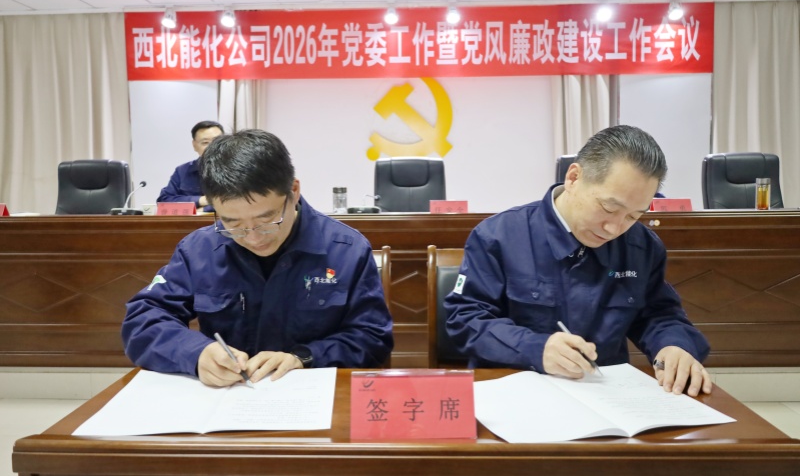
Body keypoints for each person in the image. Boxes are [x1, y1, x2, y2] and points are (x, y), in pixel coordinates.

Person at [444, 125, 712, 397]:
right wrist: (535, 348)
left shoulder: (641, 246)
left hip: (606, 396)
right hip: (516, 391)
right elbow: (465, 320)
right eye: (609, 207)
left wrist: (674, 346)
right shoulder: (498, 236)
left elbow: (659, 314)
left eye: (633, 216)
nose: (615, 228)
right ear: (573, 178)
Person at [123, 129, 393, 386]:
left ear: (293, 191)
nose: (253, 237)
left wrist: (304, 358)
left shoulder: (345, 249)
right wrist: (196, 353)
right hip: (229, 397)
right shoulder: (200, 250)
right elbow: (143, 320)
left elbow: (372, 337)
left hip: (312, 397)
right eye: (232, 223)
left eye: (267, 220)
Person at [157, 120, 224, 211]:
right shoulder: (182, 171)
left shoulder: (238, 169)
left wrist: (205, 210)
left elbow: (237, 201)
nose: (212, 147)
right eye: (205, 142)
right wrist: (200, 200)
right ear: (194, 145)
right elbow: (164, 202)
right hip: (190, 220)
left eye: (217, 141)